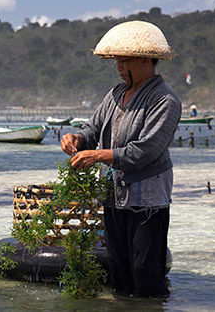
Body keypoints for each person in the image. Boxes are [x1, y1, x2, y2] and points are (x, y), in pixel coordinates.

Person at [60, 21, 182, 298]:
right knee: (119, 270)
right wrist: (76, 139)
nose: (118, 67)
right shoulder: (116, 94)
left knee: (145, 271)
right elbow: (93, 129)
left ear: (144, 60)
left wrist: (99, 155)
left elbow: (146, 150)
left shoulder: (165, 100)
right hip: (114, 194)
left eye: (123, 61)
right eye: (116, 60)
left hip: (147, 199)